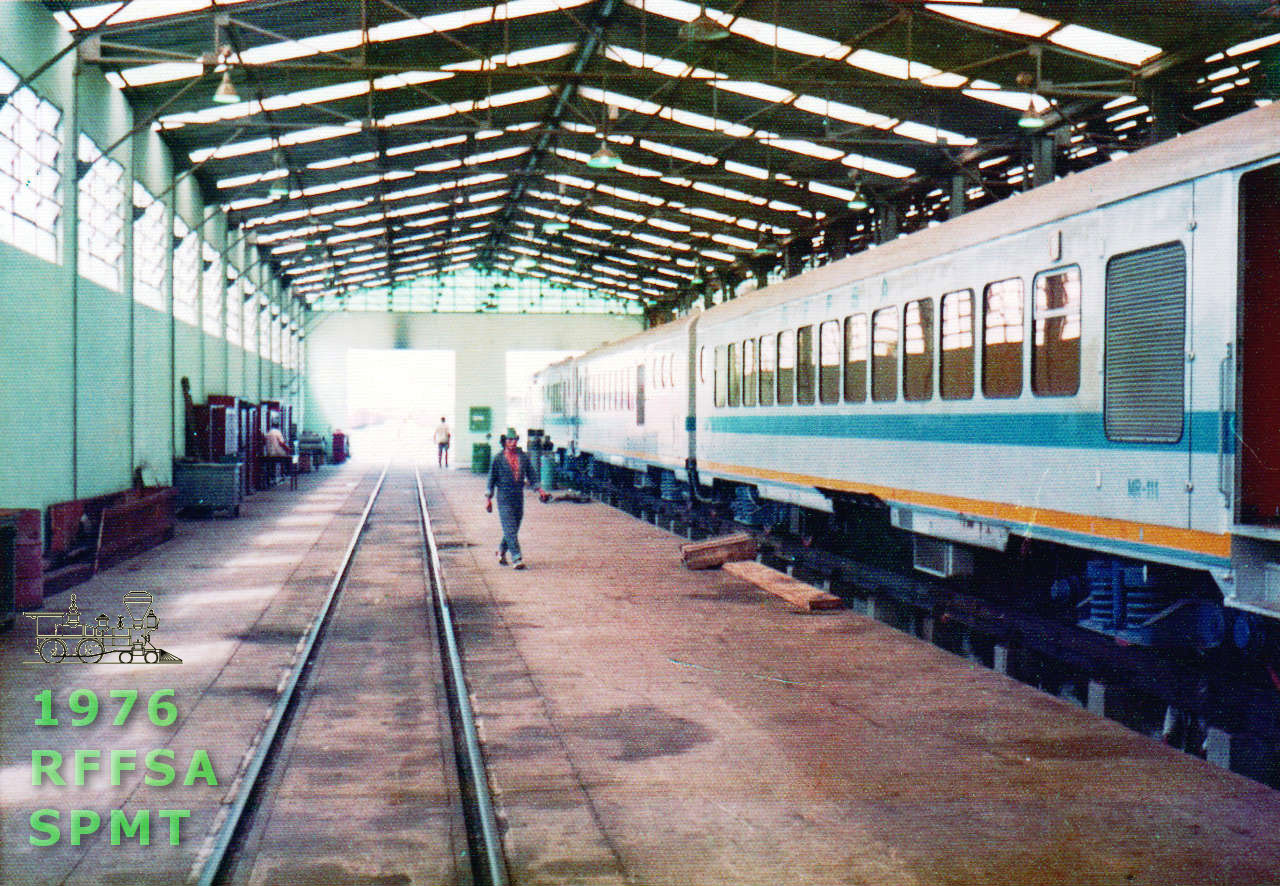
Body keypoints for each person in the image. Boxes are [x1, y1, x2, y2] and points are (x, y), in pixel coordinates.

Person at [485, 428, 548, 570]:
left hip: (518, 497)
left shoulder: (523, 457)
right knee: (510, 527)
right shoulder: (498, 458)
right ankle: (516, 557)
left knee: (513, 527)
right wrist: (488, 498)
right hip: (504, 497)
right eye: (509, 440)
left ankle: (501, 550)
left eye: (515, 440)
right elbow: (491, 479)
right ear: (504, 442)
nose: (513, 442)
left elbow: (531, 474)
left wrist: (540, 490)